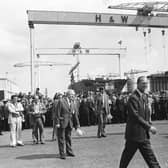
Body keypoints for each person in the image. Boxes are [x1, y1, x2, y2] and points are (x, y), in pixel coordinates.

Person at [119, 76, 161, 168]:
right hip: (134, 136)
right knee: (124, 162)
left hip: (142, 136)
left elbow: (145, 115)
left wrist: (148, 124)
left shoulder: (144, 96)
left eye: (146, 83)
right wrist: (149, 127)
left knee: (152, 161)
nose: (145, 85)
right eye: (143, 83)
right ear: (137, 84)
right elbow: (135, 116)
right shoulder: (133, 98)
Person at [54, 89, 80, 159]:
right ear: (68, 95)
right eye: (72, 95)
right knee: (61, 139)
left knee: (68, 138)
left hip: (69, 123)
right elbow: (57, 113)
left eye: (74, 95)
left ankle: (69, 151)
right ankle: (62, 153)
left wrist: (77, 125)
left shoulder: (73, 103)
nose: (73, 96)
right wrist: (57, 123)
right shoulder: (61, 101)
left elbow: (75, 115)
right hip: (62, 123)